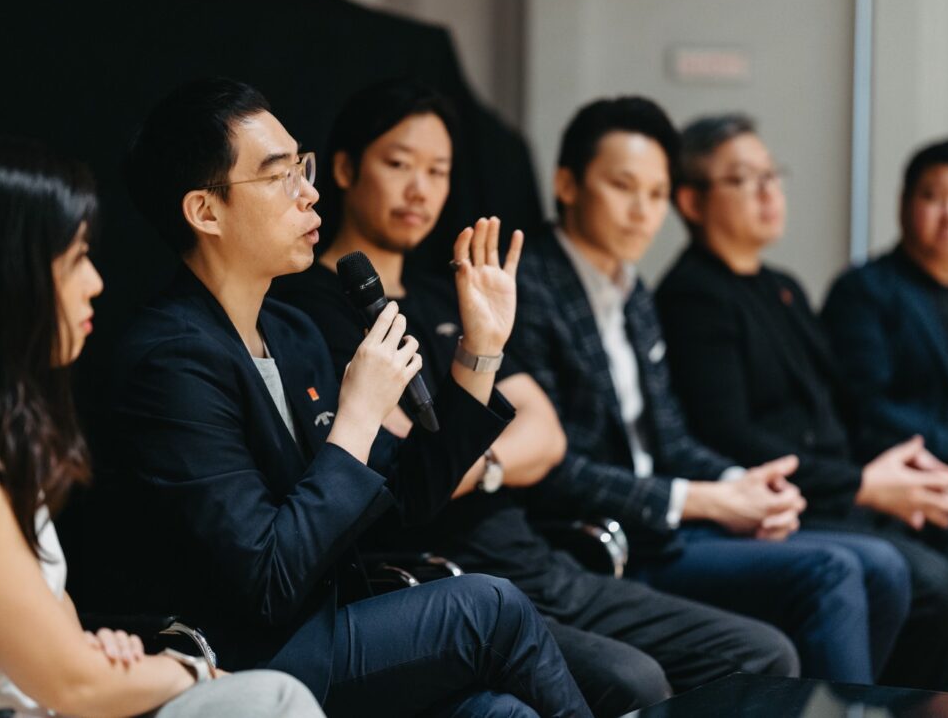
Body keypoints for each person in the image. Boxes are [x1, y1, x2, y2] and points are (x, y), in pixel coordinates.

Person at [272, 80, 800, 716]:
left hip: (534, 554)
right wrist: (486, 456)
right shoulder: (308, 310)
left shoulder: (454, 294)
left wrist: (480, 466)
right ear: (347, 168)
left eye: (438, 171)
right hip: (441, 570)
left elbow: (544, 432)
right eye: (398, 164)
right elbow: (402, 464)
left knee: (764, 653)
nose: (421, 189)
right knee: (632, 678)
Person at [83, 77, 590, 718]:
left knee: (500, 713)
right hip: (240, 656)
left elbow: (409, 498)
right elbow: (266, 581)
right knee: (489, 608)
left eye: (304, 167)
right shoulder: (170, 363)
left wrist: (479, 351)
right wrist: (356, 414)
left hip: (332, 625)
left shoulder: (290, 332)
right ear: (205, 212)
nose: (309, 192)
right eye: (278, 177)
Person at [509, 97, 912, 686]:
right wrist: (698, 501)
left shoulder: (633, 289)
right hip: (601, 540)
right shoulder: (528, 286)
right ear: (567, 184)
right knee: (835, 569)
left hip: (666, 518)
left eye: (655, 193)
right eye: (623, 187)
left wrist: (738, 485)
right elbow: (556, 468)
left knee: (879, 564)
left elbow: (669, 436)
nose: (643, 212)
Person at [0, 135, 322, 717]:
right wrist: (189, 668)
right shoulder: (172, 355)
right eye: (77, 257)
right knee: (275, 698)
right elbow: (75, 685)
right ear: (8, 272)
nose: (96, 283)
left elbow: (62, 647)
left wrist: (88, 651)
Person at [659, 113, 948, 692]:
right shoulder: (695, 296)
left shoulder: (779, 286)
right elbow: (730, 435)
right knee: (939, 571)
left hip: (842, 486)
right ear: (690, 201)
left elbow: (840, 408)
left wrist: (892, 469)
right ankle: (913, 704)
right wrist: (864, 481)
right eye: (744, 179)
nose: (769, 192)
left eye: (772, 175)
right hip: (791, 500)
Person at [823, 138, 948, 522]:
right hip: (923, 473)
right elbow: (868, 409)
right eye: (933, 198)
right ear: (904, 204)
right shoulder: (864, 291)